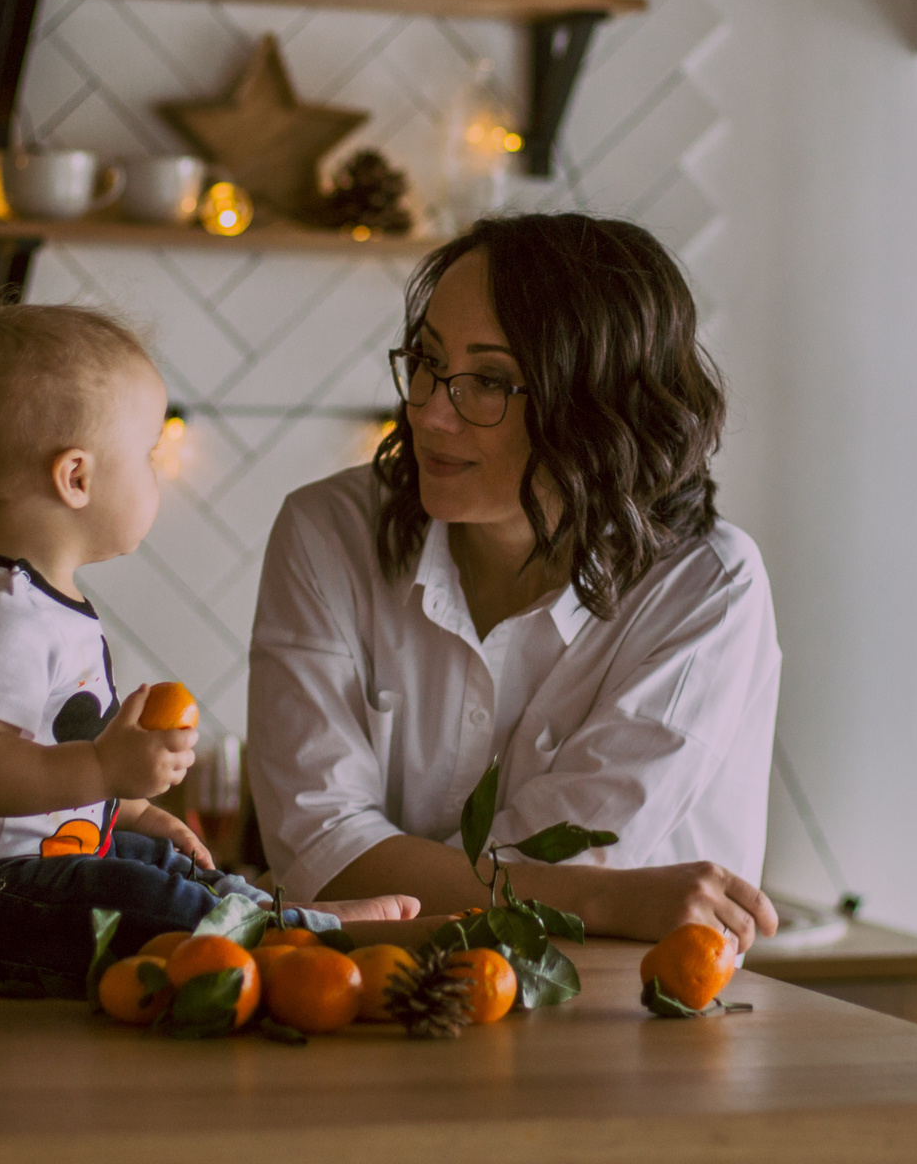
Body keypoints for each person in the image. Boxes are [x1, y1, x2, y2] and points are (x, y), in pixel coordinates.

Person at [248, 215, 782, 949]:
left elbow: (574, 862)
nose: (430, 411)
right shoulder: (326, 533)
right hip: (372, 1001)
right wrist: (604, 898)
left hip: (617, 1009)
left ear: (598, 407)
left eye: (491, 381)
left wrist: (575, 889)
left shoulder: (706, 588)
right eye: (428, 361)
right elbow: (319, 856)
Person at [0, 304, 415, 996]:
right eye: (149, 454)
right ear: (77, 478)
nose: (157, 471)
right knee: (132, 895)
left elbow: (38, 774)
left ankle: (277, 919)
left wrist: (123, 809)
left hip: (5, 874)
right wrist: (101, 768)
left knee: (155, 864)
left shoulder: (43, 607)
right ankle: (287, 936)